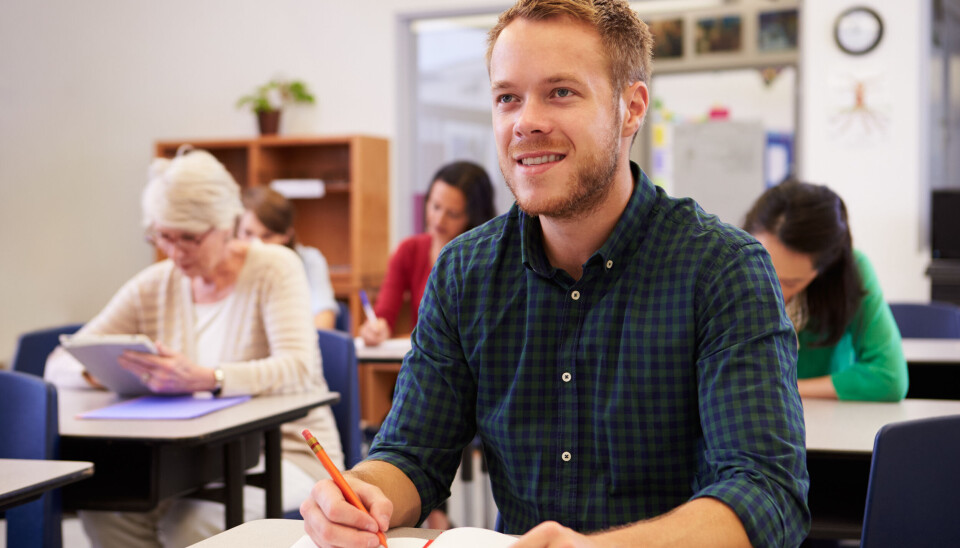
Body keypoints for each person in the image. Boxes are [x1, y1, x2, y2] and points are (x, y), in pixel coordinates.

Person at [301, 1, 809, 547]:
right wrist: (362, 494)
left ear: (631, 108)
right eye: (507, 98)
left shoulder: (722, 269)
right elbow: (410, 453)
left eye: (561, 92)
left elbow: (765, 493)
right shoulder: (464, 272)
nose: (526, 122)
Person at [45, 147, 343, 547]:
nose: (176, 251)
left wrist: (210, 378)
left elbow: (298, 367)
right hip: (182, 462)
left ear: (227, 226)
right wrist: (108, 369)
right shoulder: (155, 283)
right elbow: (60, 360)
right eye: (164, 236)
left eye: (190, 238)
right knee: (110, 514)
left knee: (190, 528)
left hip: (281, 453)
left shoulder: (275, 267)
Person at [744, 180, 908, 402]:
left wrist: (782, 388)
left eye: (791, 282)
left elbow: (890, 378)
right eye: (763, 274)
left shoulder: (850, 272)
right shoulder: (728, 270)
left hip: (828, 422)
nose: (775, 292)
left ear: (825, 270)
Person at [358, 160, 495, 346]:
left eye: (453, 213)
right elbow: (384, 315)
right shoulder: (409, 251)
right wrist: (376, 329)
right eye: (435, 206)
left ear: (474, 218)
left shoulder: (488, 256)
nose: (439, 220)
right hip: (426, 363)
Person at [238, 186, 340, 330]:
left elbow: (323, 321)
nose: (256, 245)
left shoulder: (308, 261)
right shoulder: (228, 265)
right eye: (248, 234)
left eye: (267, 236)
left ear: (286, 235)